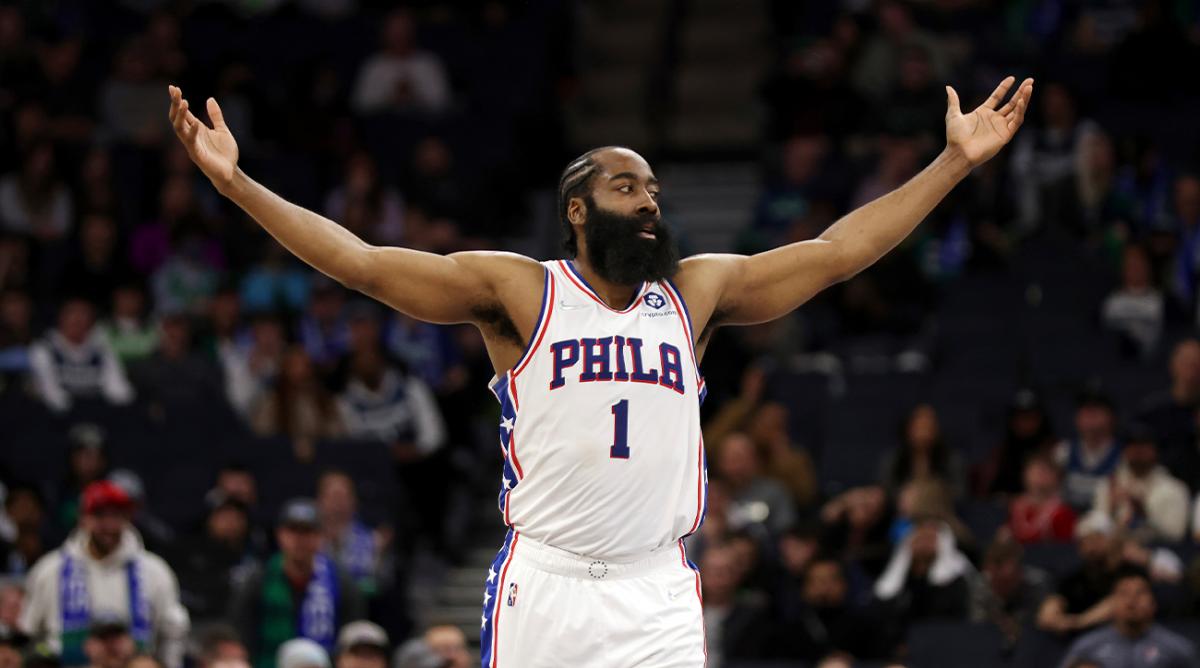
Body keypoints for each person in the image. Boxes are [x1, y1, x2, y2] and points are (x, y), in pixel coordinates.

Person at [168, 72, 1034, 666]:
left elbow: (840, 250)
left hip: (656, 584)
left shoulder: (695, 294)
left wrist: (954, 161)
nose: (650, 200)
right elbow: (360, 261)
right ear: (578, 210)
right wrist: (239, 184)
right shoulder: (518, 289)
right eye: (628, 187)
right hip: (545, 580)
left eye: (654, 188)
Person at [19, 482, 190, 668]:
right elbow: (29, 631)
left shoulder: (154, 571)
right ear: (83, 518)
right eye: (99, 516)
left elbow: (173, 632)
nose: (109, 525)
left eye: (117, 516)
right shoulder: (50, 570)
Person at [227, 499, 364, 668]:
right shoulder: (258, 580)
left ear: (320, 537)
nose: (299, 540)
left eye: (307, 531)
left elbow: (350, 642)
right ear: (280, 535)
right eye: (293, 531)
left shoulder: (341, 583)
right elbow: (240, 636)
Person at [1057, 567, 1198, 668]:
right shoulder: (1087, 646)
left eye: (1140, 593)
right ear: (1111, 604)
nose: (1132, 601)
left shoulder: (1177, 648)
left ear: (1153, 603)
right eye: (1123, 594)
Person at [1084, 426, 1190, 543]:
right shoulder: (1109, 484)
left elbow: (1176, 535)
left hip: (1155, 553)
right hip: (1113, 553)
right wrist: (1109, 509)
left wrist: (1144, 515)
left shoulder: (1175, 489)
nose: (1138, 451)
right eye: (1133, 445)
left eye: (1144, 445)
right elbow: (1093, 528)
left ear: (1155, 450)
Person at [29, 298, 134, 413]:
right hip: (57, 414)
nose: (78, 320)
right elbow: (51, 393)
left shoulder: (101, 348)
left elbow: (118, 389)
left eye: (84, 314)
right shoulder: (44, 348)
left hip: (98, 411)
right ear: (61, 317)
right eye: (72, 314)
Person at [1054, 390, 1123, 511]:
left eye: (1097, 410)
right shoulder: (1063, 451)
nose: (1090, 416)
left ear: (1111, 417)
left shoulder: (1123, 455)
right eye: (1085, 410)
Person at [1007, 455, 1077, 545]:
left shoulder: (1062, 513)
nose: (1039, 475)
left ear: (1057, 477)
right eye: (1035, 470)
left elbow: (1064, 550)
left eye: (1045, 471)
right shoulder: (1014, 507)